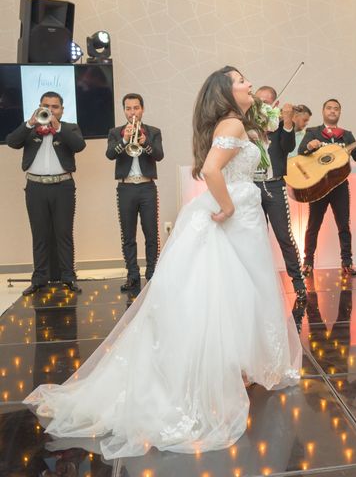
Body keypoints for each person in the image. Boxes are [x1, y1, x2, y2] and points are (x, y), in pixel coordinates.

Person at [24, 66, 302, 459]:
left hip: (245, 215)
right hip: (236, 214)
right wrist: (226, 206)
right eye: (241, 81)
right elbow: (210, 170)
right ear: (226, 91)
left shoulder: (238, 123)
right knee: (229, 291)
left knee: (236, 293)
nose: (249, 84)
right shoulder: (231, 123)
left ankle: (235, 369)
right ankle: (215, 375)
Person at [6, 91, 86, 296]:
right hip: (36, 187)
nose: (50, 110)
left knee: (64, 234)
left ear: (62, 110)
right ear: (39, 106)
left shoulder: (69, 127)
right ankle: (39, 279)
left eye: (55, 107)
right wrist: (29, 124)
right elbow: (12, 142)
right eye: (46, 106)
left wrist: (57, 127)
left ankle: (68, 277)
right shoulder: (31, 129)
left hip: (63, 187)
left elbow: (79, 145)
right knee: (39, 235)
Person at [298, 99, 356, 276]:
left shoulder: (347, 135)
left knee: (344, 224)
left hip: (340, 186)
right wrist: (309, 145)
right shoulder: (313, 132)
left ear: (339, 113)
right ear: (323, 111)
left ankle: (347, 261)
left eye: (336, 109)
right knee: (313, 225)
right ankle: (308, 262)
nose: (332, 111)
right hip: (318, 187)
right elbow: (301, 152)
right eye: (329, 108)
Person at [106, 93, 164, 293]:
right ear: (124, 110)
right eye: (128, 108)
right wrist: (124, 140)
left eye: (136, 108)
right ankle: (132, 274)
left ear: (142, 109)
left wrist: (144, 141)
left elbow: (159, 155)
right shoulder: (115, 132)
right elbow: (110, 154)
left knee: (151, 232)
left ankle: (152, 273)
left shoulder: (153, 131)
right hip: (126, 187)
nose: (132, 112)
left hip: (147, 187)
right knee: (128, 234)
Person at [252, 85, 306, 301]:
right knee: (256, 237)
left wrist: (287, 121)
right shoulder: (246, 123)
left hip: (274, 185)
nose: (262, 105)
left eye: (266, 102)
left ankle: (298, 281)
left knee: (284, 235)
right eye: (259, 101)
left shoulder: (281, 124)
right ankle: (259, 282)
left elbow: (288, 146)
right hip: (252, 186)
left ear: (274, 103)